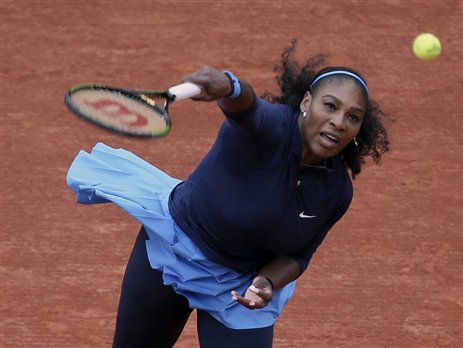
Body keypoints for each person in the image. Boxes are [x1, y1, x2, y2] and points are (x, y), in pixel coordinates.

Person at [66, 39, 390, 348]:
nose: (338, 122)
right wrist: (230, 86)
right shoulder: (272, 128)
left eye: (352, 117)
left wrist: (267, 282)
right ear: (306, 103)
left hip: (238, 288)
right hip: (177, 249)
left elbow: (299, 255)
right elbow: (248, 108)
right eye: (330, 106)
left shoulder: (336, 191)